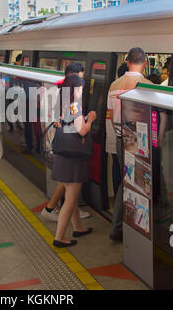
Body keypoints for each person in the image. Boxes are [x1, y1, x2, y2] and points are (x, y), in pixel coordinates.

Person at [108, 47, 152, 242]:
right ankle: (121, 227)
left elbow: (110, 116)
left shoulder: (113, 85)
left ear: (127, 62)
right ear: (144, 63)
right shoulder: (146, 85)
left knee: (125, 183)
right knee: (136, 185)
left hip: (120, 139)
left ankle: (123, 226)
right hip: (138, 143)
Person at [41, 62, 91, 221]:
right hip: (67, 145)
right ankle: (50, 209)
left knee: (68, 182)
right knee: (68, 181)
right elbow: (80, 129)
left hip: (60, 142)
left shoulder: (61, 93)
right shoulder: (70, 101)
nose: (82, 87)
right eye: (80, 83)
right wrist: (89, 121)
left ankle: (72, 215)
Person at [52, 74, 97, 248]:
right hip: (73, 158)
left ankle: (78, 227)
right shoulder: (74, 106)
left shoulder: (62, 104)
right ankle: (59, 237)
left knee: (71, 195)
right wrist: (90, 120)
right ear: (75, 89)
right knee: (70, 199)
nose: (82, 91)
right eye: (80, 88)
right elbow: (82, 131)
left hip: (63, 154)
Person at [106, 62, 129, 201]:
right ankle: (121, 200)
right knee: (123, 173)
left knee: (116, 168)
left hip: (112, 138)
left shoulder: (113, 88)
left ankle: (116, 199)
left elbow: (110, 114)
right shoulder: (126, 90)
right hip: (121, 138)